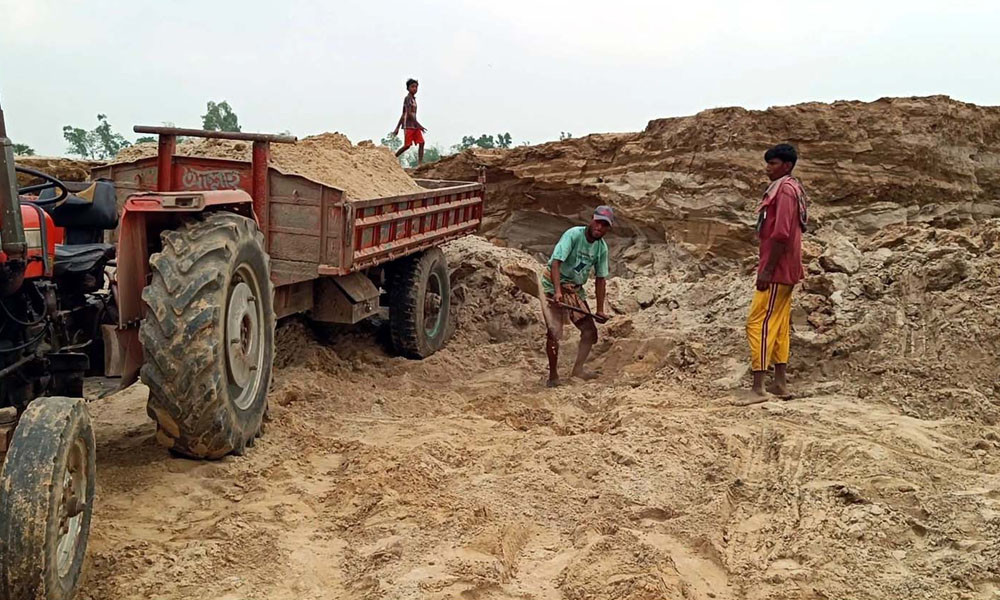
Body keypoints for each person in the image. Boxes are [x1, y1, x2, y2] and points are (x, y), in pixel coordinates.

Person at [745, 143, 808, 399]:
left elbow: (780, 233)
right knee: (779, 325)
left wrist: (767, 271)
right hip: (787, 269)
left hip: (777, 270)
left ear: (787, 165)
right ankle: (779, 384)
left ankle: (758, 387)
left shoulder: (784, 191)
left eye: (772, 164)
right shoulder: (793, 188)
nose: (767, 168)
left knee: (757, 323)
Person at [541, 206, 614, 387]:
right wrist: (557, 292)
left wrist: (599, 310)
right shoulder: (573, 234)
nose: (599, 227)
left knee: (590, 332)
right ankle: (553, 376)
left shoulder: (601, 248)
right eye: (598, 222)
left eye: (604, 225)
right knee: (554, 332)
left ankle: (578, 369)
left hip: (574, 290)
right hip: (553, 284)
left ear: (608, 228)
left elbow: (600, 279)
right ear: (592, 220)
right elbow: (556, 263)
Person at [392, 78, 426, 165]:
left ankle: (420, 164)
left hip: (415, 125)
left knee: (422, 143)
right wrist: (397, 127)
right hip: (409, 125)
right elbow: (407, 114)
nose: (414, 88)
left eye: (416, 87)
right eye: (412, 87)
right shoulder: (407, 99)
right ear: (408, 88)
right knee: (407, 145)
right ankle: (393, 158)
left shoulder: (413, 100)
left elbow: (404, 113)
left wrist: (417, 125)